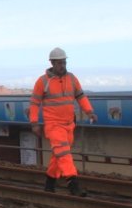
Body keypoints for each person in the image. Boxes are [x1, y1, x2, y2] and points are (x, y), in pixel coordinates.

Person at [29, 47, 98, 196]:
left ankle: (49, 184)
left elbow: (80, 96)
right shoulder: (42, 81)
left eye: (64, 62)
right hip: (53, 125)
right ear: (52, 63)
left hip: (69, 124)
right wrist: (34, 123)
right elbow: (34, 104)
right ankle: (73, 185)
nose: (62, 66)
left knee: (58, 155)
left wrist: (89, 111)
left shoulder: (72, 79)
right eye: (59, 63)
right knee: (64, 154)